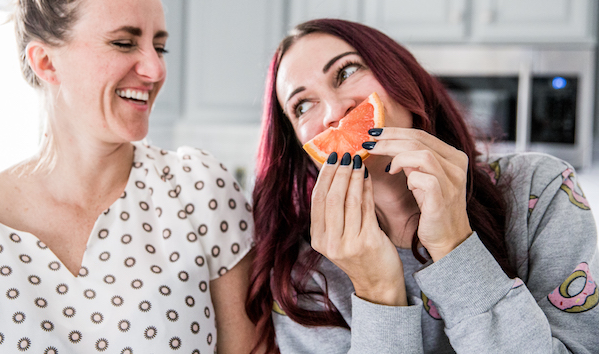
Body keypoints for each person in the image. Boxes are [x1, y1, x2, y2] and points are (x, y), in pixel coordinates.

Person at [0, 0, 256, 353]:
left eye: (160, 45)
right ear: (46, 63)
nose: (155, 69)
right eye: (124, 43)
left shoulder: (198, 191)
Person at [245, 18, 599, 353]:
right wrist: (377, 291)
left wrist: (454, 244)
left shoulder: (539, 190)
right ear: (300, 149)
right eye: (303, 105)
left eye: (347, 71)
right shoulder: (304, 274)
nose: (334, 113)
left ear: (399, 76)